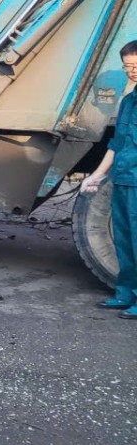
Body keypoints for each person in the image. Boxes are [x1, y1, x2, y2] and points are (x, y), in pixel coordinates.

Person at [81, 41, 137, 318]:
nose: (132, 71)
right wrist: (97, 175)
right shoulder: (128, 102)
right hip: (124, 180)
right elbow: (116, 143)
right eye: (128, 66)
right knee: (125, 241)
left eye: (136, 66)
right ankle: (125, 293)